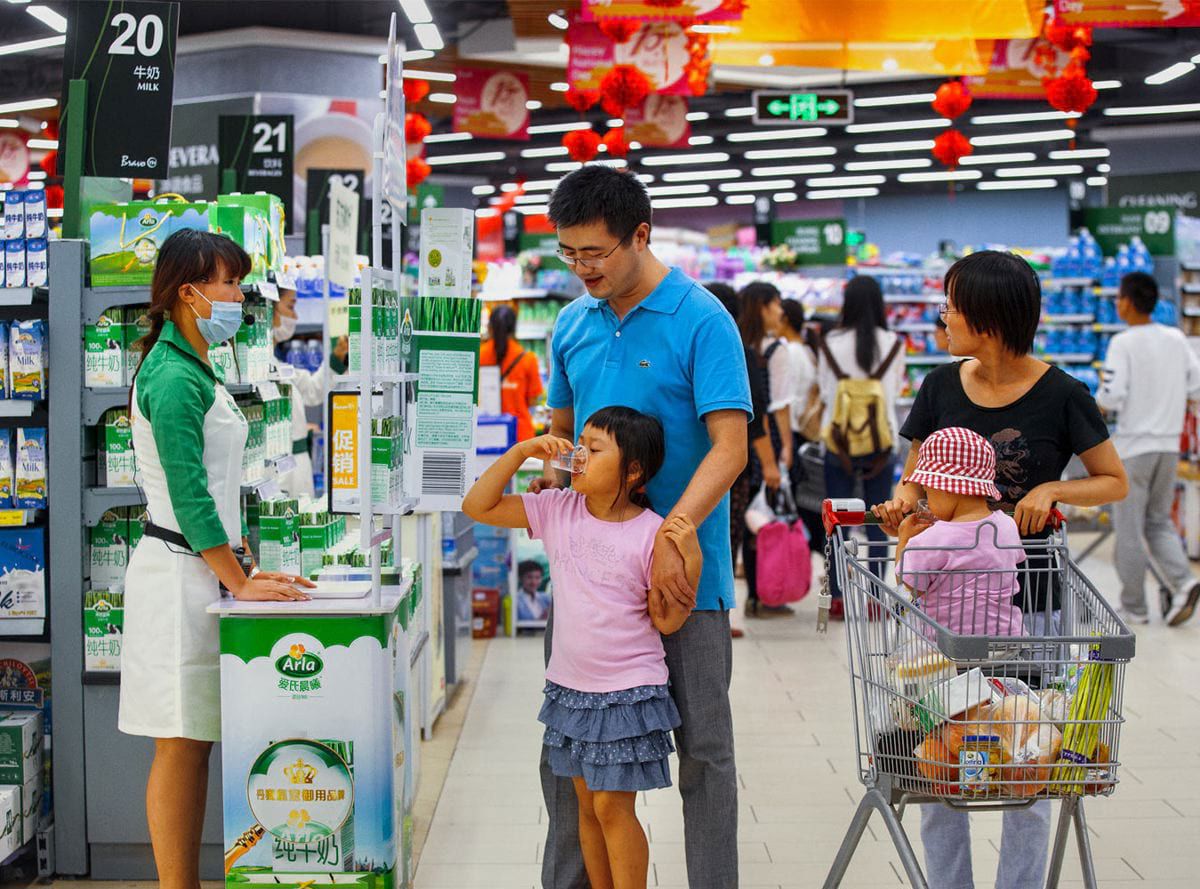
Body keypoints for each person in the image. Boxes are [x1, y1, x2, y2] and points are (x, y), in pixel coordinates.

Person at [873, 249, 1128, 889]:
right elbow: (914, 477)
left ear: (985, 320)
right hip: (944, 613)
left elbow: (1113, 481)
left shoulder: (1064, 394)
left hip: (1030, 600)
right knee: (939, 754)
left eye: (952, 307)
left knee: (1026, 752)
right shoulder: (938, 386)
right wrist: (902, 507)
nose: (943, 318)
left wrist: (1056, 492)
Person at [540, 165, 750, 889]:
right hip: (589, 582)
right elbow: (562, 433)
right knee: (568, 753)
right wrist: (550, 472)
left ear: (641, 234)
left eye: (593, 253)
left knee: (705, 751)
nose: (580, 268)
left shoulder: (701, 319)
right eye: (568, 253)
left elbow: (731, 444)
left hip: (684, 577)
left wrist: (676, 530)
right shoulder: (572, 323)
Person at [117, 230, 314, 889]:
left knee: (196, 739)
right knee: (179, 743)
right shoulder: (172, 376)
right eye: (230, 284)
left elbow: (218, 488)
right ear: (187, 292)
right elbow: (188, 493)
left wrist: (245, 569)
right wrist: (240, 580)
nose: (240, 296)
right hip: (178, 578)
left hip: (204, 571)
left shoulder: (197, 364)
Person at [462, 408, 699, 889]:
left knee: (613, 805)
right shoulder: (557, 510)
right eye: (579, 445)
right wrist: (522, 452)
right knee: (588, 806)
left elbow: (667, 619)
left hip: (628, 691)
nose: (578, 457)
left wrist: (689, 558)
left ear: (632, 471)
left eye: (594, 450)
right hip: (571, 690)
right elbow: (477, 506)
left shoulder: (651, 531)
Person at [817, 275, 906, 618]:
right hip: (881, 442)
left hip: (837, 439)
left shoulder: (830, 342)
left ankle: (837, 596)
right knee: (880, 522)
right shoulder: (893, 343)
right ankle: (875, 599)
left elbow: (827, 393)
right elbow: (894, 392)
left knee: (837, 521)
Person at [895, 427, 1025, 639]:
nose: (927, 498)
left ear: (947, 487)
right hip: (1006, 641)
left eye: (928, 491)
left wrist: (904, 541)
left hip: (946, 650)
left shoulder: (932, 539)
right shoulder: (1007, 526)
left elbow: (905, 593)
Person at [707, 281, 775, 639]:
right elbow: (757, 415)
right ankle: (725, 610)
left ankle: (724, 609)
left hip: (709, 458)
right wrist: (772, 463)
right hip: (738, 462)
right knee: (730, 535)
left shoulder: (703, 343)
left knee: (723, 536)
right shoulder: (742, 352)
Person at [737, 281, 794, 618]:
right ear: (762, 306)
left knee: (748, 517)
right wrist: (785, 447)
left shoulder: (736, 344)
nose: (780, 313)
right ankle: (768, 592)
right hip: (767, 441)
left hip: (740, 439)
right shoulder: (776, 349)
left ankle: (755, 593)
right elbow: (779, 405)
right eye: (776, 305)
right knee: (770, 517)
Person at [271, 287, 348, 498]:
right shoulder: (261, 369)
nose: (295, 316)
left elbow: (312, 390)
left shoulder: (277, 365)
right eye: (290, 306)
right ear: (268, 308)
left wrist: (337, 354)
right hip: (282, 470)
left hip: (296, 464)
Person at [779, 297, 826, 552]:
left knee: (795, 499)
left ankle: (799, 550)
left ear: (785, 318)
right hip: (808, 433)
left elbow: (788, 399)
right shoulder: (808, 350)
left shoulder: (789, 353)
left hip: (794, 432)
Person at [480, 304, 544, 442]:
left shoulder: (479, 355)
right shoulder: (527, 359)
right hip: (519, 434)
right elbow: (532, 400)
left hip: (486, 431)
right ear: (514, 327)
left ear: (490, 327)